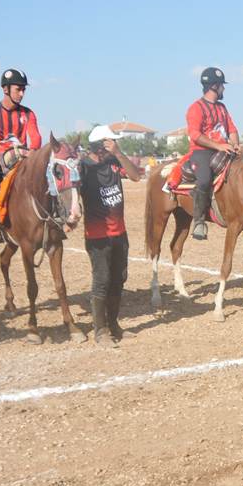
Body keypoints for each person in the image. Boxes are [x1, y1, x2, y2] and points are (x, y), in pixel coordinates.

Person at [80, 124, 142, 346]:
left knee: (119, 279)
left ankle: (114, 324)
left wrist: (118, 153)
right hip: (98, 235)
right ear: (101, 145)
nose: (115, 145)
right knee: (102, 280)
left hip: (120, 232)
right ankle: (101, 330)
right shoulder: (84, 167)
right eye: (112, 142)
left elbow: (135, 176)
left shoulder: (115, 161)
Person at [0, 69, 42, 244]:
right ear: (5, 89)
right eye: (18, 89)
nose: (22, 93)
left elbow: (35, 137)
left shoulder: (28, 113)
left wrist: (34, 152)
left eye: (23, 90)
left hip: (22, 158)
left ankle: (54, 218)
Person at [185, 67, 239, 240]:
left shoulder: (222, 108)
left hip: (223, 148)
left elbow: (232, 129)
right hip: (201, 152)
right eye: (222, 85)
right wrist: (218, 146)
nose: (224, 89)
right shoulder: (196, 108)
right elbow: (195, 134)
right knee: (204, 180)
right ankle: (199, 221)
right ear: (214, 86)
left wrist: (235, 144)